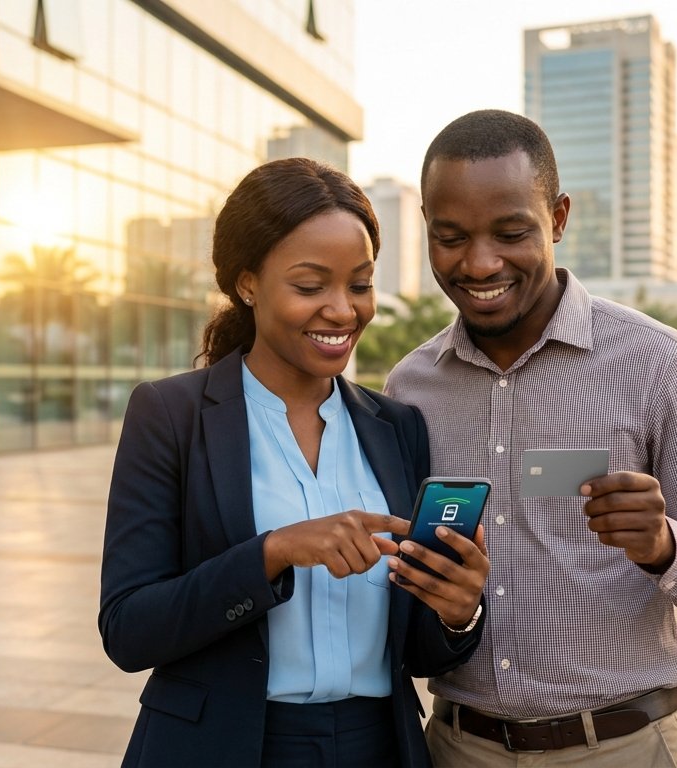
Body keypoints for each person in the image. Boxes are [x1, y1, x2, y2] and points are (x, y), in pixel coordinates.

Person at [385, 109, 677, 766]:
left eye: (512, 233)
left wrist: (664, 546)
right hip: (458, 748)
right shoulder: (409, 387)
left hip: (622, 747)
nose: (480, 263)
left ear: (559, 217)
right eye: (450, 237)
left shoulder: (661, 365)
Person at [99, 157, 491, 767]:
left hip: (376, 747)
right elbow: (129, 630)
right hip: (223, 748)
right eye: (310, 287)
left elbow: (414, 650)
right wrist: (273, 552)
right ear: (247, 284)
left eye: (359, 285)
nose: (342, 311)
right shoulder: (170, 414)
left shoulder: (398, 427)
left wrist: (457, 612)